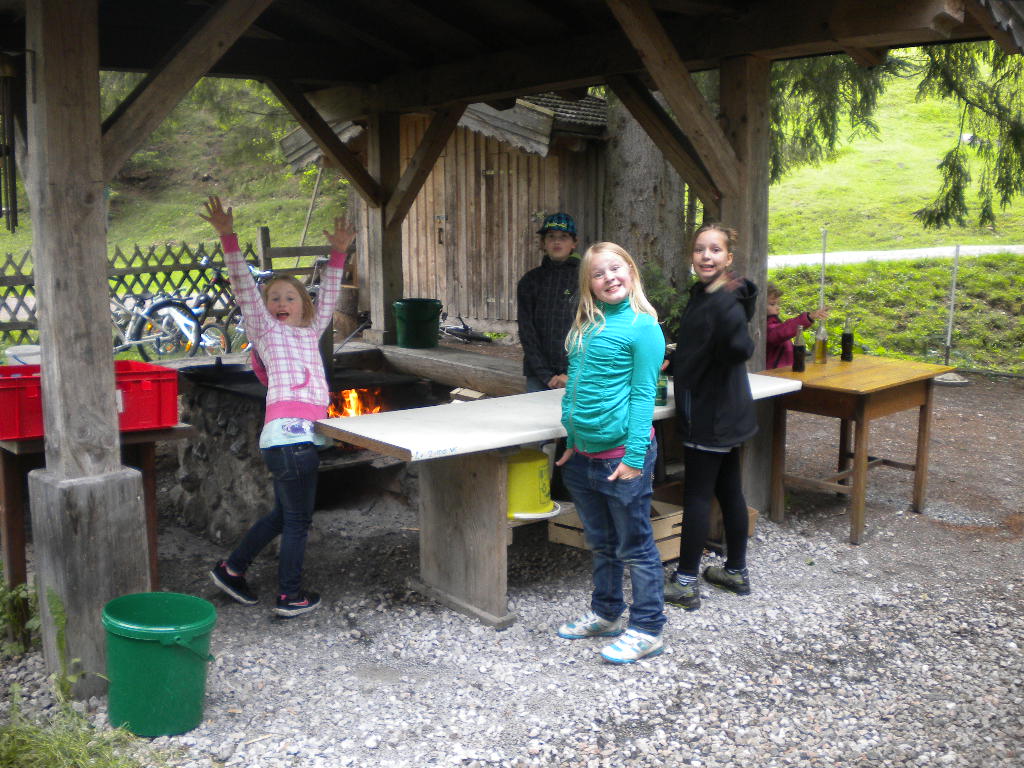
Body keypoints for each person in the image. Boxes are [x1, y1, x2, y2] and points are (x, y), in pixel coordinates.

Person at [201, 195, 354, 618]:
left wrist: (339, 252)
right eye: (274, 299)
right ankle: (290, 595)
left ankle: (232, 569)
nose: (281, 303)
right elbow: (243, 287)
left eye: (290, 297)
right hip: (289, 440)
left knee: (283, 513)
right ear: (264, 310)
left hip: (298, 440)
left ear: (305, 306)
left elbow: (329, 297)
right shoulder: (266, 332)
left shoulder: (311, 331)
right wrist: (228, 237)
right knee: (298, 521)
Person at [554, 242, 667, 664]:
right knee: (601, 543)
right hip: (583, 457)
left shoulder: (643, 327)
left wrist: (635, 458)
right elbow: (576, 388)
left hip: (622, 455)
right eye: (599, 274)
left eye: (615, 269)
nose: (609, 278)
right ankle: (606, 613)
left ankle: (648, 628)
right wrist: (571, 442)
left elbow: (643, 399)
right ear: (590, 285)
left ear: (631, 272)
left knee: (635, 546)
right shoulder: (586, 326)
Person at [664, 224, 757, 611]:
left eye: (715, 250)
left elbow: (739, 347)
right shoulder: (709, 294)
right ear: (692, 256)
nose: (706, 256)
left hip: (710, 411)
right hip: (730, 410)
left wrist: (689, 365)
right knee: (729, 491)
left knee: (698, 496)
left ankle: (685, 582)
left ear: (728, 258)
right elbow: (705, 344)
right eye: (700, 249)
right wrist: (681, 358)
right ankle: (735, 571)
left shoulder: (721, 300)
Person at [517, 213, 581, 393]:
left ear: (574, 243)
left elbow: (591, 327)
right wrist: (545, 375)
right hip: (538, 375)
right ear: (543, 243)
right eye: (551, 237)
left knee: (575, 420)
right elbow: (527, 331)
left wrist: (572, 373)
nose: (557, 242)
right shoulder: (530, 281)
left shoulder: (585, 279)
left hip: (577, 372)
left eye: (563, 237)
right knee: (537, 420)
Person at [765, 282, 829, 369]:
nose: (777, 307)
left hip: (785, 371)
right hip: (774, 375)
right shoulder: (765, 327)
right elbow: (781, 332)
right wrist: (809, 317)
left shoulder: (774, 322)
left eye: (778, 304)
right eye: (772, 304)